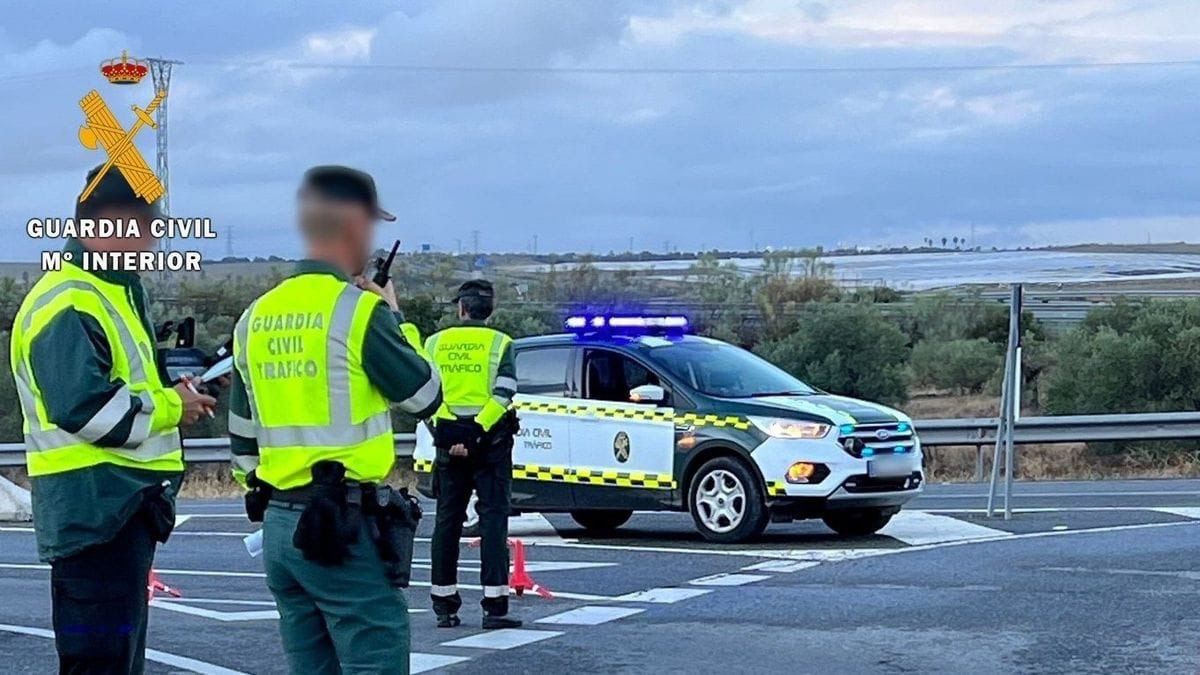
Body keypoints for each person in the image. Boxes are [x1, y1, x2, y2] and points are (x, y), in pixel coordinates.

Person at [228, 166, 441, 675]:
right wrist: (393, 317)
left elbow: (241, 447)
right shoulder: (358, 312)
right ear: (352, 227)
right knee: (375, 657)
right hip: (343, 528)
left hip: (281, 526)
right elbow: (425, 396)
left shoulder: (253, 317)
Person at [10, 164, 216, 674]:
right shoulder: (69, 301)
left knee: (113, 660)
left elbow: (125, 386)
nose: (154, 239)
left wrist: (182, 387)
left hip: (117, 509)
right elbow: (86, 409)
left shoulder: (111, 294)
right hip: (95, 511)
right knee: (99, 662)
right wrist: (175, 406)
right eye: (148, 225)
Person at [426, 279, 521, 630]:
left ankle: (444, 607)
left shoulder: (435, 343)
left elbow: (427, 395)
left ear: (461, 309)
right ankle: (494, 607)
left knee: (447, 522)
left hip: (449, 445)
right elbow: (505, 393)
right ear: (488, 311)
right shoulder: (501, 343)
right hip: (490, 445)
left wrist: (450, 435)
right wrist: (477, 431)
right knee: (494, 522)